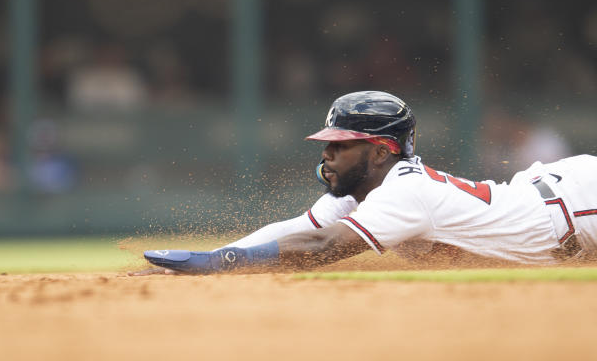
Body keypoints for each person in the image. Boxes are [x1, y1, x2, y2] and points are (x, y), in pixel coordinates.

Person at [143, 90, 597, 274]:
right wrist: (210, 261)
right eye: (328, 143)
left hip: (581, 204)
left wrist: (221, 263)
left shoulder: (404, 191)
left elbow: (320, 249)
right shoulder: (362, 192)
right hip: (557, 198)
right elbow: (298, 230)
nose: (327, 153)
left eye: (341, 144)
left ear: (381, 151)